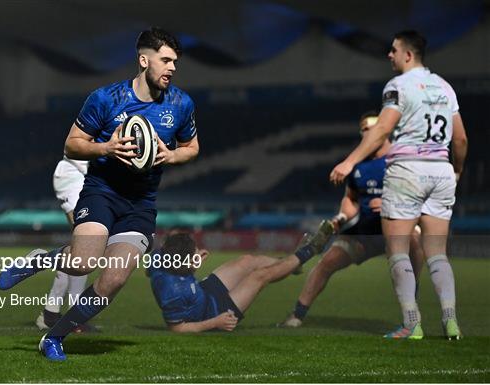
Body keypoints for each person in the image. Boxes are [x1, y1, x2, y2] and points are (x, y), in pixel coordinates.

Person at [0, 27, 199, 360]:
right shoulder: (106, 98)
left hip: (141, 204)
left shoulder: (181, 103)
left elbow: (192, 147)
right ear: (143, 60)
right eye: (165, 60)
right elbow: (72, 144)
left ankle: (54, 337)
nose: (172, 68)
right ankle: (39, 261)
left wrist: (171, 154)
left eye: (175, 61)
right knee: (81, 263)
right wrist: (106, 147)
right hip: (102, 191)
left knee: (114, 279)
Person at [330, 30, 468, 340]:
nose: (389, 55)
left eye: (393, 50)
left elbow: (381, 130)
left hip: (407, 171)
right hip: (441, 171)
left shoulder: (398, 86)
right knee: (437, 254)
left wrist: (350, 162)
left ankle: (411, 324)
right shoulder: (446, 88)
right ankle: (451, 322)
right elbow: (460, 138)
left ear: (408, 54)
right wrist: (456, 171)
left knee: (398, 252)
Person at [279, 111, 424, 328]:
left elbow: (420, 199)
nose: (368, 134)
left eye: (372, 129)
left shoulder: (403, 158)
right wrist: (342, 216)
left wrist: (389, 204)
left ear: (384, 130)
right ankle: (296, 315)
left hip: (397, 227)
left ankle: (412, 309)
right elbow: (350, 198)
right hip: (364, 233)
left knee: (413, 239)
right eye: (364, 130)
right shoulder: (358, 164)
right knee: (326, 262)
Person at [148, 224, 334, 332]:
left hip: (204, 293)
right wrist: (216, 322)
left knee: (248, 261)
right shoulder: (173, 292)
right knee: (259, 276)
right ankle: (311, 250)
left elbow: (152, 269)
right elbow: (177, 329)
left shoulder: (160, 257)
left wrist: (193, 263)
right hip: (214, 313)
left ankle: (293, 265)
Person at [35, 156, 96, 333]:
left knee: (82, 249)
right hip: (75, 174)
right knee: (85, 248)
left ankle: (51, 314)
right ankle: (73, 316)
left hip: (83, 176)